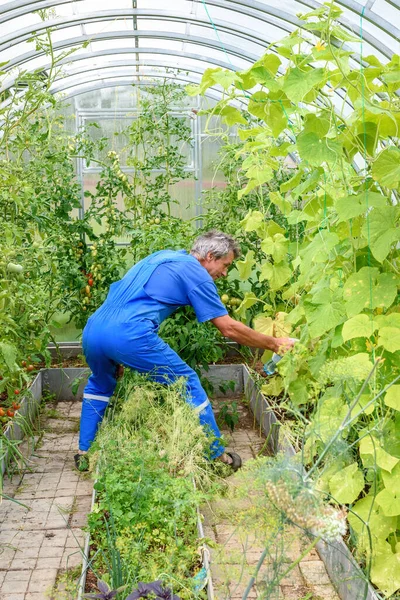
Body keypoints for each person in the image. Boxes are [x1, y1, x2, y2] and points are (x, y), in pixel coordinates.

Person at [75, 231, 295, 471]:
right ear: (210, 256)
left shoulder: (164, 257)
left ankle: (84, 453)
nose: (224, 273)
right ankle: (217, 458)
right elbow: (228, 328)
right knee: (188, 382)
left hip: (94, 329)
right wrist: (275, 344)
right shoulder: (196, 273)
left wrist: (113, 350)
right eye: (225, 265)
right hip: (129, 333)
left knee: (100, 384)